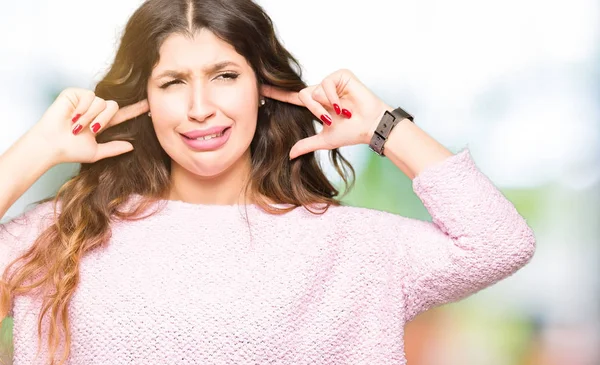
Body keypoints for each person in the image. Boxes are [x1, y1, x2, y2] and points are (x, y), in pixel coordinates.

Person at [0, 0, 536, 364]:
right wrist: (35, 149)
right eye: (173, 82)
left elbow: (499, 241)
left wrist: (382, 126)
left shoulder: (349, 247)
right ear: (145, 100)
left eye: (224, 76)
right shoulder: (64, 234)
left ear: (262, 87)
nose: (200, 109)